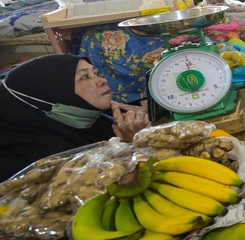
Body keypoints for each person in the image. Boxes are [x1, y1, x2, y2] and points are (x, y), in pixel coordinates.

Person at [0, 55, 150, 182]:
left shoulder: (94, 121)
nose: (101, 80)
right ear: (55, 92)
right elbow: (98, 187)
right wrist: (130, 145)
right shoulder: (37, 158)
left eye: (95, 73)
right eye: (85, 77)